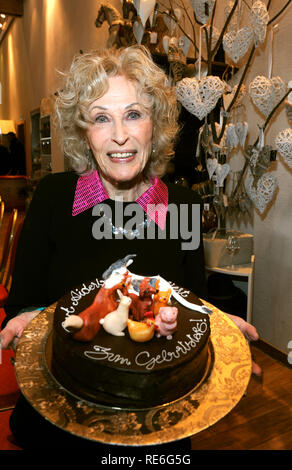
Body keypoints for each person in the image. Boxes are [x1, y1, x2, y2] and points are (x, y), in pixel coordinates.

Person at [0, 45, 260, 450]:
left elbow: (192, 304)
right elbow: (24, 304)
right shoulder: (52, 198)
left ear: (154, 125)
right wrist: (22, 323)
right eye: (101, 118)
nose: (119, 135)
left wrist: (219, 326)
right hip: (61, 418)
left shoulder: (183, 206)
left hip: (156, 419)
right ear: (84, 133)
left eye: (133, 114)